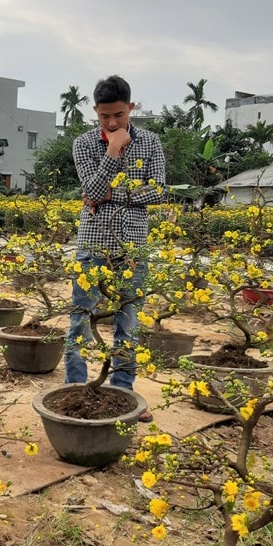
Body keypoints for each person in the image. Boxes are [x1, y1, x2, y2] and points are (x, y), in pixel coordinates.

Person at [64, 75, 166, 421]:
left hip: (133, 247)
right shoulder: (84, 143)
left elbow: (159, 191)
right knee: (80, 319)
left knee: (129, 320)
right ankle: (73, 391)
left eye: (119, 115)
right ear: (95, 111)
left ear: (131, 109)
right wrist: (112, 150)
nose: (111, 123)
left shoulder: (151, 142)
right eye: (104, 116)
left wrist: (116, 195)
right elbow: (91, 191)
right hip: (92, 245)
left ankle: (124, 392)